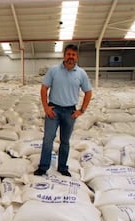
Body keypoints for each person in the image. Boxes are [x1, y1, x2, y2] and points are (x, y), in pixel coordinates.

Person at [34, 44, 92, 177]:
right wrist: (46, 107)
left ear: (77, 57)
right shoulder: (54, 70)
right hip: (54, 110)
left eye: (73, 54)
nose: (70, 57)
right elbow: (44, 88)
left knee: (65, 141)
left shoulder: (81, 73)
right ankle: (43, 167)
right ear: (64, 55)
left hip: (70, 112)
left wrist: (81, 110)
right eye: (68, 54)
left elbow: (88, 92)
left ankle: (62, 167)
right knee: (48, 139)